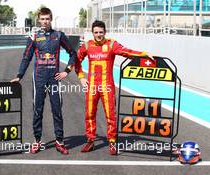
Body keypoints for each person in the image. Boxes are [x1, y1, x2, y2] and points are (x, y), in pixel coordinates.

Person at [75, 20, 153, 155]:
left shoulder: (111, 44)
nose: (98, 35)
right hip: (92, 86)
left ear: (105, 32)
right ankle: (90, 140)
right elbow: (76, 59)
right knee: (89, 114)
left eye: (101, 32)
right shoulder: (87, 45)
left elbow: (126, 52)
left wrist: (143, 54)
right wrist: (81, 76)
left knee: (110, 115)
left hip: (107, 86)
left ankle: (112, 142)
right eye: (96, 32)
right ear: (92, 33)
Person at [11, 7, 77, 155]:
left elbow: (73, 53)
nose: (45, 21)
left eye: (47, 19)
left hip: (54, 78)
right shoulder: (34, 36)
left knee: (57, 110)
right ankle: (37, 141)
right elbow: (26, 57)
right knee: (37, 110)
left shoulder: (59, 35)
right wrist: (19, 75)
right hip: (39, 78)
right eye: (42, 19)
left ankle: (60, 141)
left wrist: (67, 71)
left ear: (51, 19)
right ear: (39, 20)